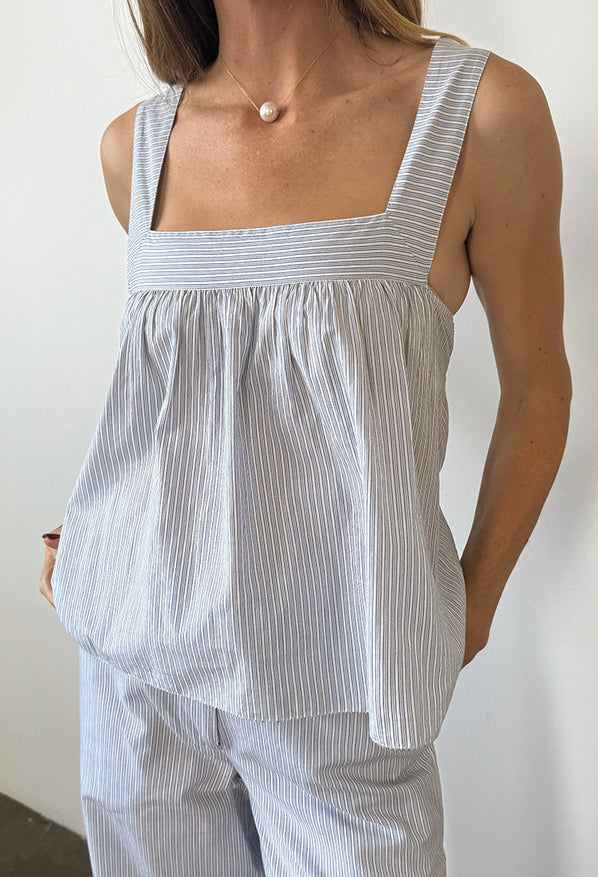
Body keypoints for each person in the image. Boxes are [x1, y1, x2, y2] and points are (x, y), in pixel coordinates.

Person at [39, 0, 571, 874]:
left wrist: (466, 612)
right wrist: (104, 549)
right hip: (141, 680)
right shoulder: (133, 146)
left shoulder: (477, 114)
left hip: (347, 687)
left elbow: (539, 388)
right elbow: (187, 401)